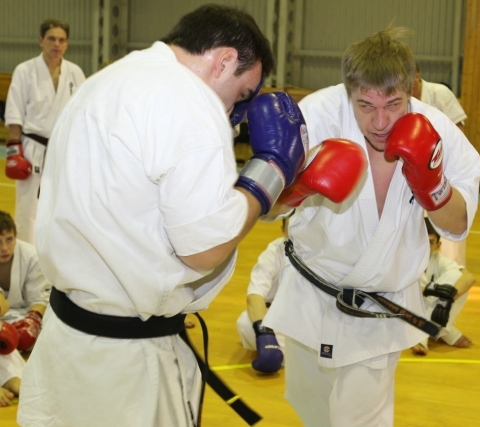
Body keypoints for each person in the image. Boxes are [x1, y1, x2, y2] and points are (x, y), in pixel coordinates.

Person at [15, 5, 319, 427]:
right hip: (125, 370)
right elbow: (205, 247)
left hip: (68, 339)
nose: (234, 112)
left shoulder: (109, 79)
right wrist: (273, 170)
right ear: (224, 60)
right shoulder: (191, 103)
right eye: (241, 94)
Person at [262, 28, 480, 426]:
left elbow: (458, 223)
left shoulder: (438, 131)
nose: (380, 122)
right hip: (309, 297)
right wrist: (298, 188)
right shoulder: (318, 115)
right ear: (349, 92)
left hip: (378, 310)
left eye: (393, 104)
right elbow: (264, 207)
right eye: (365, 105)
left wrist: (435, 187)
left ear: (411, 89)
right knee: (312, 412)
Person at [4, 18, 86, 245]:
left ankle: (57, 255)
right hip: (32, 148)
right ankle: (28, 255)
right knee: (28, 209)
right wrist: (14, 150)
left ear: (67, 44)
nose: (56, 44)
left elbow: (82, 113)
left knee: (62, 206)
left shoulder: (75, 73)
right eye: (51, 39)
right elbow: (14, 111)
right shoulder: (25, 71)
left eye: (61, 40)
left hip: (63, 149)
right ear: (41, 40)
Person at [412, 62, 469, 265]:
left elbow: (459, 129)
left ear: (417, 75)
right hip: (415, 172)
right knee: (419, 225)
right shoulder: (399, 100)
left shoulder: (440, 93)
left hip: (446, 168)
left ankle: (452, 272)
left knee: (448, 222)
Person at [411, 218, 475, 356]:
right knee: (436, 292)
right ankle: (443, 329)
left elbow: (469, 278)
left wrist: (448, 296)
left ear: (437, 245)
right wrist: (431, 290)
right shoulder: (402, 258)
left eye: (430, 242)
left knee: (457, 277)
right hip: (399, 312)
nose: (425, 246)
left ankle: (425, 330)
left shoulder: (438, 260)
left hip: (419, 315)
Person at [236, 215, 291, 374]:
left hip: (311, 320)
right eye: (292, 227)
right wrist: (265, 334)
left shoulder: (324, 252)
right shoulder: (275, 251)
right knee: (246, 323)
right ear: (283, 230)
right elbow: (255, 295)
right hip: (276, 317)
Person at [0, 211, 50, 353]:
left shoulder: (32, 257)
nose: (4, 248)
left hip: (27, 313)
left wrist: (32, 322)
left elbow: (40, 299)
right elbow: (2, 305)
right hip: (4, 316)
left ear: (16, 238)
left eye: (9, 239)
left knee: (47, 336)